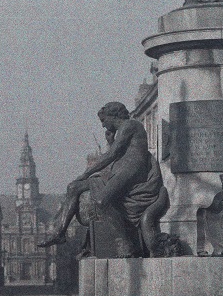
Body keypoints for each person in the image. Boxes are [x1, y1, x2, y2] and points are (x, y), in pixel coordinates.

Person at [39, 102, 166, 255]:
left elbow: (112, 154)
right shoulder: (121, 131)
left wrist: (86, 174)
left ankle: (124, 242)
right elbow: (116, 153)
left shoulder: (130, 125)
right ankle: (59, 232)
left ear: (114, 116)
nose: (103, 125)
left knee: (101, 201)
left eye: (103, 121)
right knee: (73, 187)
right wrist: (111, 141)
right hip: (121, 170)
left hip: (134, 171)